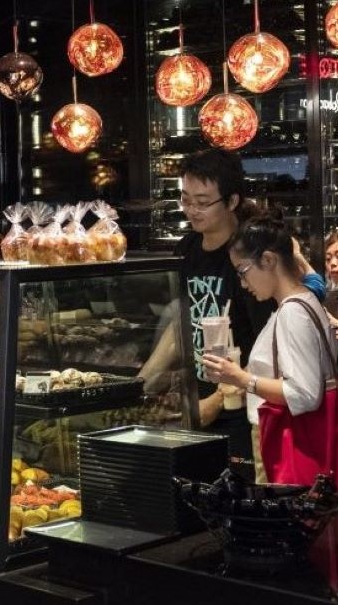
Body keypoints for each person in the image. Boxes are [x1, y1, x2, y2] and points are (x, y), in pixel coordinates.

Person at [138, 149, 274, 465]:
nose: (192, 210)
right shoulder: (187, 249)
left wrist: (220, 398)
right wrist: (140, 384)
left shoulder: (248, 255)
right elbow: (183, 323)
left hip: (242, 409)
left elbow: (268, 343)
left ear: (232, 201)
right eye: (186, 200)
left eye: (202, 202)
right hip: (197, 402)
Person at [203, 216, 338, 482]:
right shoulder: (306, 301)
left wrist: (242, 379)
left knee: (280, 506)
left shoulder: (292, 313)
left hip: (285, 438)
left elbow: (304, 394)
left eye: (243, 271)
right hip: (298, 436)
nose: (243, 283)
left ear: (268, 260)